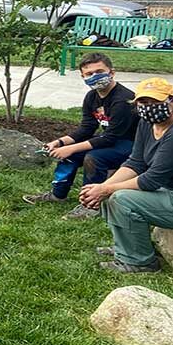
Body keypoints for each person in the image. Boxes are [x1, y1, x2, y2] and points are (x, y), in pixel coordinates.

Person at [78, 78, 173, 273]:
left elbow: (151, 180)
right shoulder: (146, 124)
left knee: (122, 199)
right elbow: (136, 162)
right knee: (111, 192)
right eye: (143, 102)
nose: (148, 107)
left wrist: (105, 189)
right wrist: (102, 187)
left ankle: (139, 262)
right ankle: (126, 249)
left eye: (155, 102)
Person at [24, 53, 137, 220]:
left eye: (100, 71)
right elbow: (86, 128)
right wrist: (59, 143)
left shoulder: (123, 100)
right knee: (70, 155)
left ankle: (90, 205)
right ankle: (58, 194)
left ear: (111, 73)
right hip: (110, 139)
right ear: (82, 76)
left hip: (133, 144)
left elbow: (110, 138)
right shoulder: (92, 97)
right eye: (89, 74)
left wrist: (70, 148)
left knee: (94, 158)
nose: (95, 76)